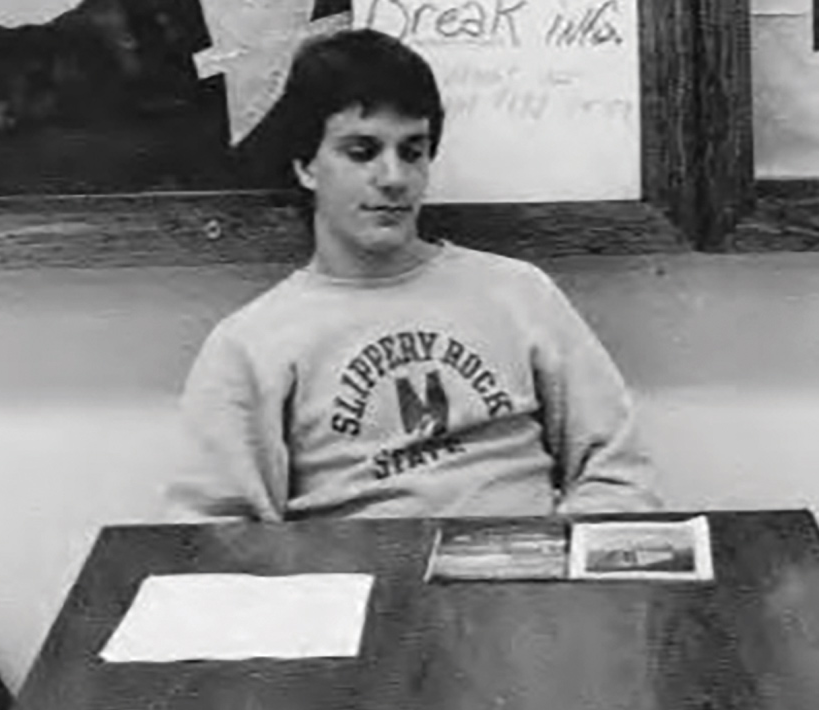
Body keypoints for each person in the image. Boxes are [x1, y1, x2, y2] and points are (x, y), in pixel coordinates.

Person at [166, 27, 659, 521]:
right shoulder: (250, 344)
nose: (394, 178)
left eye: (412, 151)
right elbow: (212, 532)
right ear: (306, 166)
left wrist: (575, 571)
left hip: (524, 579)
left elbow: (615, 471)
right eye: (361, 152)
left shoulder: (518, 293)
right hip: (355, 584)